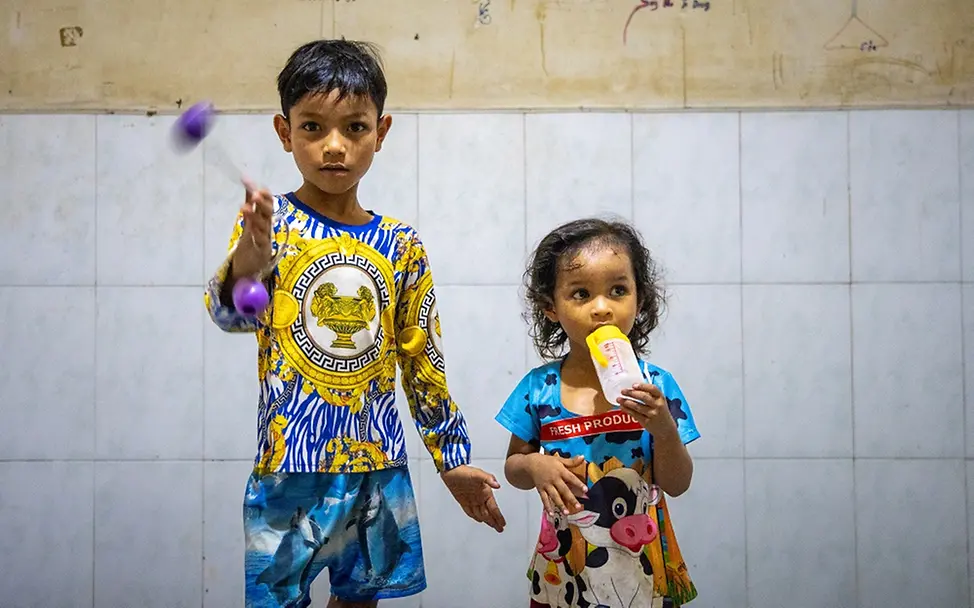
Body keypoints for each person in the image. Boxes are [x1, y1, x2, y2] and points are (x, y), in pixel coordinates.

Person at [204, 39, 506, 608]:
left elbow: (423, 363)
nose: (334, 146)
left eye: (355, 127)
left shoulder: (401, 244)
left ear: (381, 132)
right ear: (284, 131)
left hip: (377, 463)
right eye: (313, 127)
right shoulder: (273, 229)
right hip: (288, 464)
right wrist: (251, 250)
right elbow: (229, 314)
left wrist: (453, 459)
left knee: (361, 602)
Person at [495, 218, 700, 608]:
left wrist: (664, 430)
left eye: (618, 290)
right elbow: (513, 467)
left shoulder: (657, 386)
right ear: (551, 308)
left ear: (640, 300)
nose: (602, 308)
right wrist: (535, 465)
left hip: (644, 560)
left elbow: (678, 483)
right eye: (582, 294)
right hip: (565, 562)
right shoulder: (539, 389)